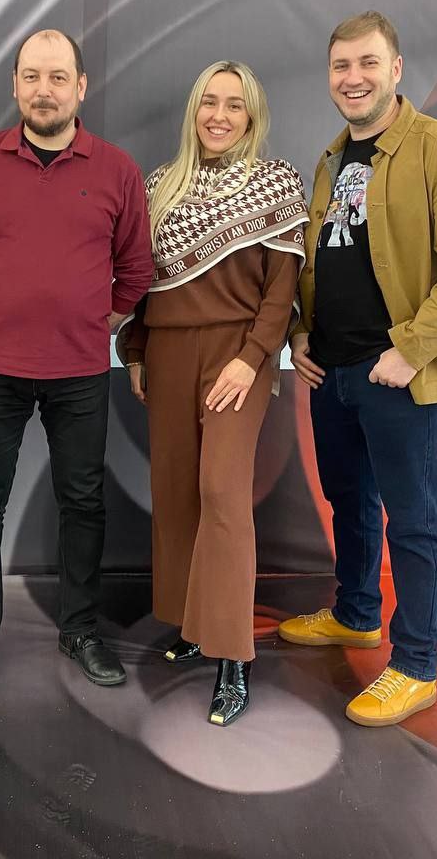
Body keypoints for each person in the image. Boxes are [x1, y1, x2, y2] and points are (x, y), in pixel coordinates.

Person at [279, 11, 437, 726]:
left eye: (368, 63)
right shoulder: (331, 160)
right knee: (349, 500)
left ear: (396, 69)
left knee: (413, 519)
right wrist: (300, 333)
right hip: (333, 371)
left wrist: (411, 350)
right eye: (342, 65)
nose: (354, 78)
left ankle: (416, 665)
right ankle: (355, 614)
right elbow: (315, 262)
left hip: (399, 373)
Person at [0, 29, 154, 700]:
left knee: (83, 503)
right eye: (32, 76)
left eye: (58, 77)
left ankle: (80, 630)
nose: (44, 90)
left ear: (81, 87)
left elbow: (135, 268)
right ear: (15, 85)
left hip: (79, 369)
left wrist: (98, 319)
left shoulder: (116, 169)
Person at [120, 61, 307, 726]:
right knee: (176, 493)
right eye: (209, 102)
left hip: (237, 355)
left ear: (251, 115)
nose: (219, 116)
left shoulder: (275, 182)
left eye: (234, 104)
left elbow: (281, 290)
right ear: (193, 110)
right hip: (168, 353)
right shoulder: (159, 186)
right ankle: (193, 625)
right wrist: (136, 351)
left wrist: (253, 358)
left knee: (222, 493)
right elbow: (141, 283)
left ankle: (233, 656)